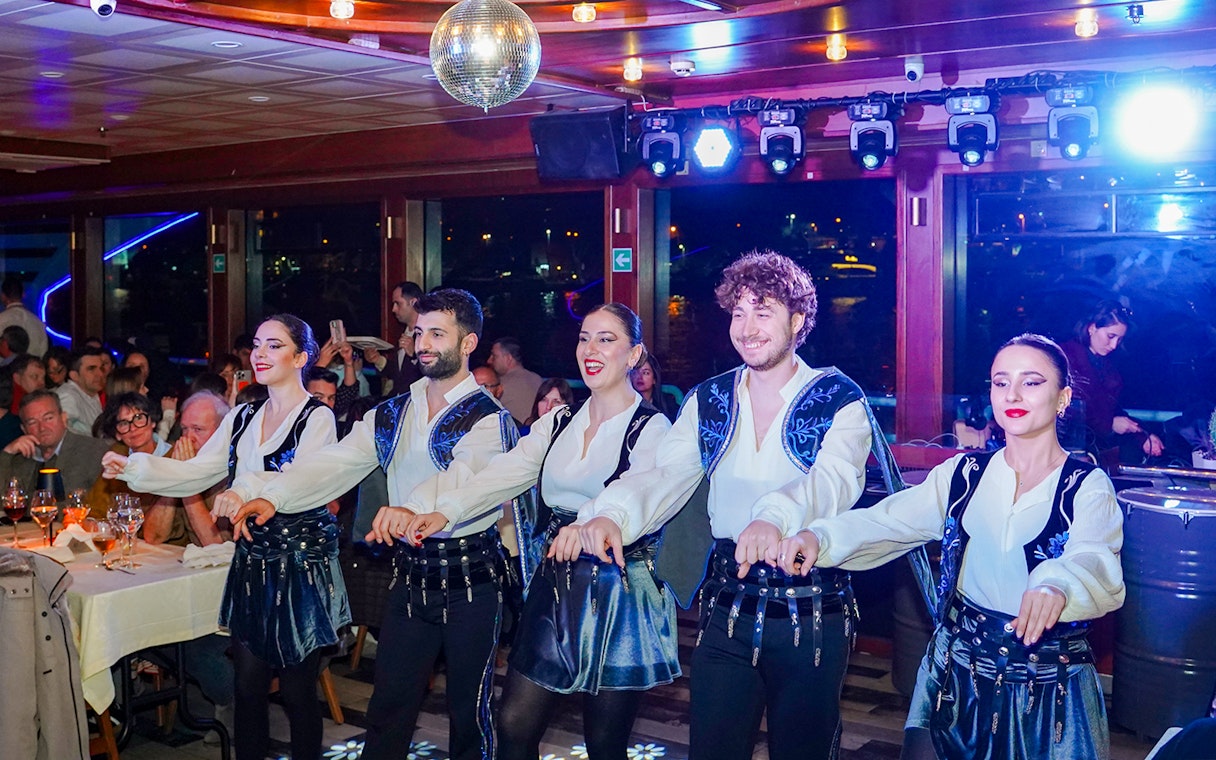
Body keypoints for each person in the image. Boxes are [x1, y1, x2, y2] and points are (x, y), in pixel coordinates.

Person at [577, 250, 900, 760]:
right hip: (727, 605)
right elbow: (665, 474)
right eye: (738, 312)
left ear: (798, 320)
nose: (747, 328)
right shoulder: (709, 399)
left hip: (812, 606)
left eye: (763, 312)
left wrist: (773, 517)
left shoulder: (840, 398)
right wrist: (610, 513)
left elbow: (833, 481)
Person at [782, 333, 1125, 760]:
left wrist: (1057, 584)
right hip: (954, 674)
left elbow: (1094, 556)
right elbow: (888, 520)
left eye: (1032, 382)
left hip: (1048, 687)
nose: (1013, 394)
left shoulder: (1086, 485)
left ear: (1063, 398)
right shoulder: (963, 474)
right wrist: (819, 537)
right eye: (1001, 382)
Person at [230, 289, 519, 760]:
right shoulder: (394, 410)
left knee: (469, 714)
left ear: (468, 344)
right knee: (388, 707)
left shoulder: (489, 418)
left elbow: (465, 476)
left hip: (471, 581)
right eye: (418, 333)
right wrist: (272, 494)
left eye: (437, 334)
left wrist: (413, 507)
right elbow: (336, 461)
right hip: (410, 575)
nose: (422, 344)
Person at [410, 303, 676, 760]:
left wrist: (589, 521)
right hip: (555, 585)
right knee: (514, 724)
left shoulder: (653, 428)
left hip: (619, 594)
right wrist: (445, 510)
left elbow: (638, 488)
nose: (590, 350)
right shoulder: (559, 421)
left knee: (605, 743)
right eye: (584, 338)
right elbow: (505, 471)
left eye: (606, 339)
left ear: (634, 355)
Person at [101, 314, 346, 760]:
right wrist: (134, 467)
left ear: (301, 358)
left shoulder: (318, 418)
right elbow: (197, 472)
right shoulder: (243, 415)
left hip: (298, 566)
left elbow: (301, 481)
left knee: (296, 691)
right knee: (248, 687)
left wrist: (244, 490)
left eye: (274, 345)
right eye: (258, 344)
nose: (260, 354)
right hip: (252, 561)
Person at [1061, 301, 1164, 462]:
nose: (1114, 345)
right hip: (1066, 452)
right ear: (1092, 328)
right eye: (1110, 336)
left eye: (1119, 339)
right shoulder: (1063, 358)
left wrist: (1142, 436)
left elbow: (1112, 410)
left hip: (1093, 451)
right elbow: (1066, 412)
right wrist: (1109, 424)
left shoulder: (1106, 366)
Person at [142, 390, 232, 546]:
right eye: (184, 428)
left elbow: (216, 545)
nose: (188, 438)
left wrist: (187, 483)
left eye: (198, 429)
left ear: (221, 431)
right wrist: (177, 477)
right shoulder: (178, 458)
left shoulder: (234, 471)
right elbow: (153, 536)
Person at [0, 389, 113, 494]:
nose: (42, 428)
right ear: (24, 429)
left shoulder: (94, 451)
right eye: (32, 422)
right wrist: (7, 453)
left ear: (64, 418)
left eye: (48, 418)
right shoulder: (20, 459)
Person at [88, 393, 170, 519]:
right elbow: (95, 508)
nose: (133, 428)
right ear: (118, 435)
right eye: (124, 423)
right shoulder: (117, 456)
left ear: (152, 421)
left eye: (139, 418)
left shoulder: (173, 456)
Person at [364, 281, 423, 397]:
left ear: (414, 302)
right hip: (400, 402)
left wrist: (414, 355)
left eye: (398, 304)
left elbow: (433, 375)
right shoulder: (404, 332)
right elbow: (399, 373)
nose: (393, 309)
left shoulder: (428, 334)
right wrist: (377, 359)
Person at [489, 336, 544, 424]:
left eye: (494, 356)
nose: (489, 361)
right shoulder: (537, 379)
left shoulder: (499, 385)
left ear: (508, 358)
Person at [55, 347, 106, 435]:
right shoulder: (68, 395)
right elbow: (64, 432)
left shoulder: (92, 394)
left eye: (101, 368)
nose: (100, 374)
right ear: (74, 375)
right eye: (91, 369)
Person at [0, 276, 49, 358]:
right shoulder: (38, 322)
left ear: (3, 296)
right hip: (33, 365)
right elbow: (44, 353)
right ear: (23, 294)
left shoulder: (1, 319)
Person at [631, 354, 680, 422]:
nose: (640, 377)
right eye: (635, 372)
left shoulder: (668, 402)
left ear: (654, 379)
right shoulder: (624, 404)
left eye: (646, 373)